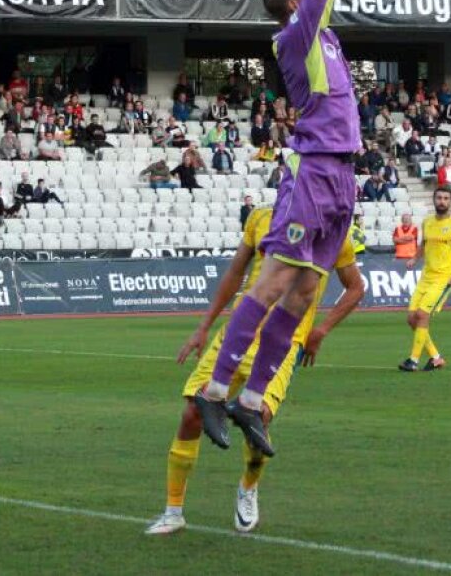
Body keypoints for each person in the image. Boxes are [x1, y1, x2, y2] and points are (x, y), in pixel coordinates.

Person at [194, 0, 359, 459]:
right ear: (297, 3)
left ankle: (251, 398)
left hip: (342, 172)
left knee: (304, 291)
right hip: (313, 167)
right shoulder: (294, 36)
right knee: (274, 282)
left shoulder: (325, 38)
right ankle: (216, 389)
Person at [146, 205, 366, 536]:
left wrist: (320, 331)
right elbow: (235, 273)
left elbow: (356, 287)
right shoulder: (261, 217)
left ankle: (248, 489)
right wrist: (204, 326)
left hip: (284, 341)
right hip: (238, 331)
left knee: (258, 419)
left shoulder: (334, 231)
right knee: (193, 411)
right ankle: (173, 510)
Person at [399, 187, 451, 372]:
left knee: (422, 315)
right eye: (439, 197)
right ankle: (436, 357)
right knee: (411, 319)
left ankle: (413, 360)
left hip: (444, 278)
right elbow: (424, 244)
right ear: (434, 200)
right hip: (426, 277)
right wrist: (415, 258)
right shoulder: (427, 222)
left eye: (446, 198)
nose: (442, 201)